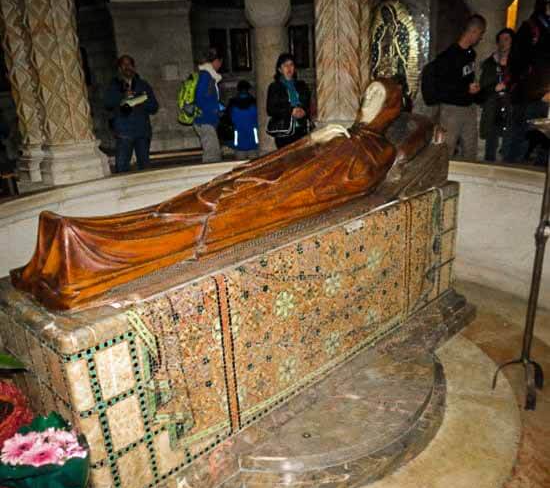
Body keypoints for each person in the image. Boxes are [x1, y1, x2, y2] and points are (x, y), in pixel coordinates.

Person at [12, 79, 439, 310]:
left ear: (390, 110)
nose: (367, 103)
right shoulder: (344, 135)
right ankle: (77, 240)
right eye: (367, 95)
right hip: (259, 183)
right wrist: (313, 140)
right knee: (175, 207)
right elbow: (286, 160)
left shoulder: (375, 150)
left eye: (378, 99)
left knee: (190, 223)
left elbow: (336, 185)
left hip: (270, 199)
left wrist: (422, 130)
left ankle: (85, 250)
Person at [434, 14, 486, 160]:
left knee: (470, 150)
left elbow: (466, 77)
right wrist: (465, 89)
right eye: (480, 33)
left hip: (468, 107)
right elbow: (442, 86)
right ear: (474, 31)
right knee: (446, 151)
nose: (480, 38)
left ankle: (469, 175)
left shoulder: (471, 54)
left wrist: (474, 90)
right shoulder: (449, 56)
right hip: (451, 110)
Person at [507, 0, 550, 164]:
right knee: (521, 142)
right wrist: (536, 91)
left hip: (544, 96)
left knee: (543, 149)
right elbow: (517, 63)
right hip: (530, 96)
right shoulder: (530, 28)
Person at [104, 55, 159, 173]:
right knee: (122, 167)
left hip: (142, 131)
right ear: (119, 68)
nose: (127, 67)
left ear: (134, 67)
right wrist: (122, 96)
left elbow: (154, 107)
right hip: (124, 132)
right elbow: (107, 103)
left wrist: (140, 101)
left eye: (129, 64)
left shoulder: (143, 85)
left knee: (145, 167)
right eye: (124, 65)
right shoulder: (114, 85)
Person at [479, 28, 515, 161]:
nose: (503, 43)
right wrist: (494, 87)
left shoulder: (517, 63)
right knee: (490, 149)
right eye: (500, 40)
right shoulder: (490, 64)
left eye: (506, 39)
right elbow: (482, 88)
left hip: (511, 110)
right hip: (493, 110)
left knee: (508, 149)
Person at [267, 53, 311, 149]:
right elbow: (271, 109)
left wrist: (304, 111)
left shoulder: (301, 85)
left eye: (291, 64)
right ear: (280, 69)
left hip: (301, 129)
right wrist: (291, 111)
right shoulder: (275, 87)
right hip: (284, 131)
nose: (289, 68)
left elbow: (308, 104)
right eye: (285, 65)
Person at [194, 48, 224, 163]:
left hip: (206, 120)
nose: (220, 66)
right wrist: (215, 108)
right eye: (220, 62)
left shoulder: (208, 75)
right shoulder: (206, 75)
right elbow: (200, 98)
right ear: (216, 61)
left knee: (213, 153)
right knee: (212, 156)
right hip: (204, 120)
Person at [229, 80, 259, 160]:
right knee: (254, 162)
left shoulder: (232, 103)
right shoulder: (254, 102)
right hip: (253, 139)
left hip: (238, 138)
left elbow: (230, 120)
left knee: (240, 163)